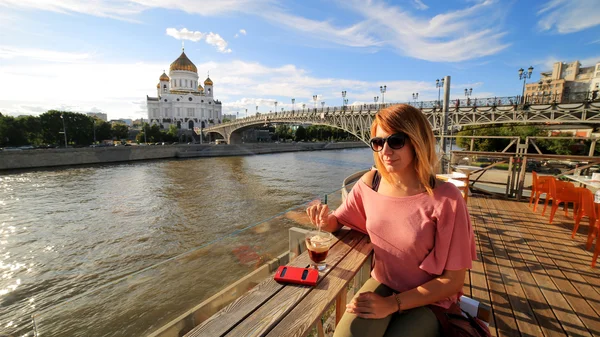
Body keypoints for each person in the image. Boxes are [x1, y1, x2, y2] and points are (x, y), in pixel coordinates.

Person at [307, 104, 477, 337]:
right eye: (378, 143)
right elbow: (339, 220)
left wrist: (391, 304)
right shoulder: (371, 184)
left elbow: (453, 281)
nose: (385, 151)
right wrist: (325, 220)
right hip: (384, 283)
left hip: (431, 299)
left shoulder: (446, 198)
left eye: (395, 141)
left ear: (417, 141)